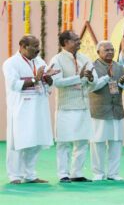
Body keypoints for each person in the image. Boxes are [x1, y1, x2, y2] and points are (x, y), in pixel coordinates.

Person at [3, 35, 58, 184]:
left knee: (36, 141)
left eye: (38, 46)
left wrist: (48, 79)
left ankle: (30, 174)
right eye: (34, 46)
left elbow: (48, 83)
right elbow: (14, 84)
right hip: (21, 108)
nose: (38, 50)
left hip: (39, 106)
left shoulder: (39, 61)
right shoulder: (10, 63)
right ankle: (14, 175)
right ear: (22, 46)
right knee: (19, 142)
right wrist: (36, 78)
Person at [50, 31, 96, 183]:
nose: (79, 42)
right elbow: (56, 82)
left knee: (82, 141)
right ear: (65, 42)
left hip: (83, 106)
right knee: (64, 142)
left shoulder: (85, 58)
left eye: (78, 39)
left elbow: (92, 82)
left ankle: (77, 173)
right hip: (66, 107)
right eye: (75, 40)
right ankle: (63, 174)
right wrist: (79, 77)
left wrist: (90, 79)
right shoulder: (57, 60)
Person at [89, 41, 124, 181]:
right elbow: (92, 87)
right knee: (98, 142)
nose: (110, 52)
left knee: (116, 142)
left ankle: (113, 173)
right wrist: (107, 76)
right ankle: (98, 173)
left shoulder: (119, 66)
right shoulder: (92, 67)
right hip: (99, 111)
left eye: (112, 50)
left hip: (116, 110)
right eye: (106, 50)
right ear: (98, 52)